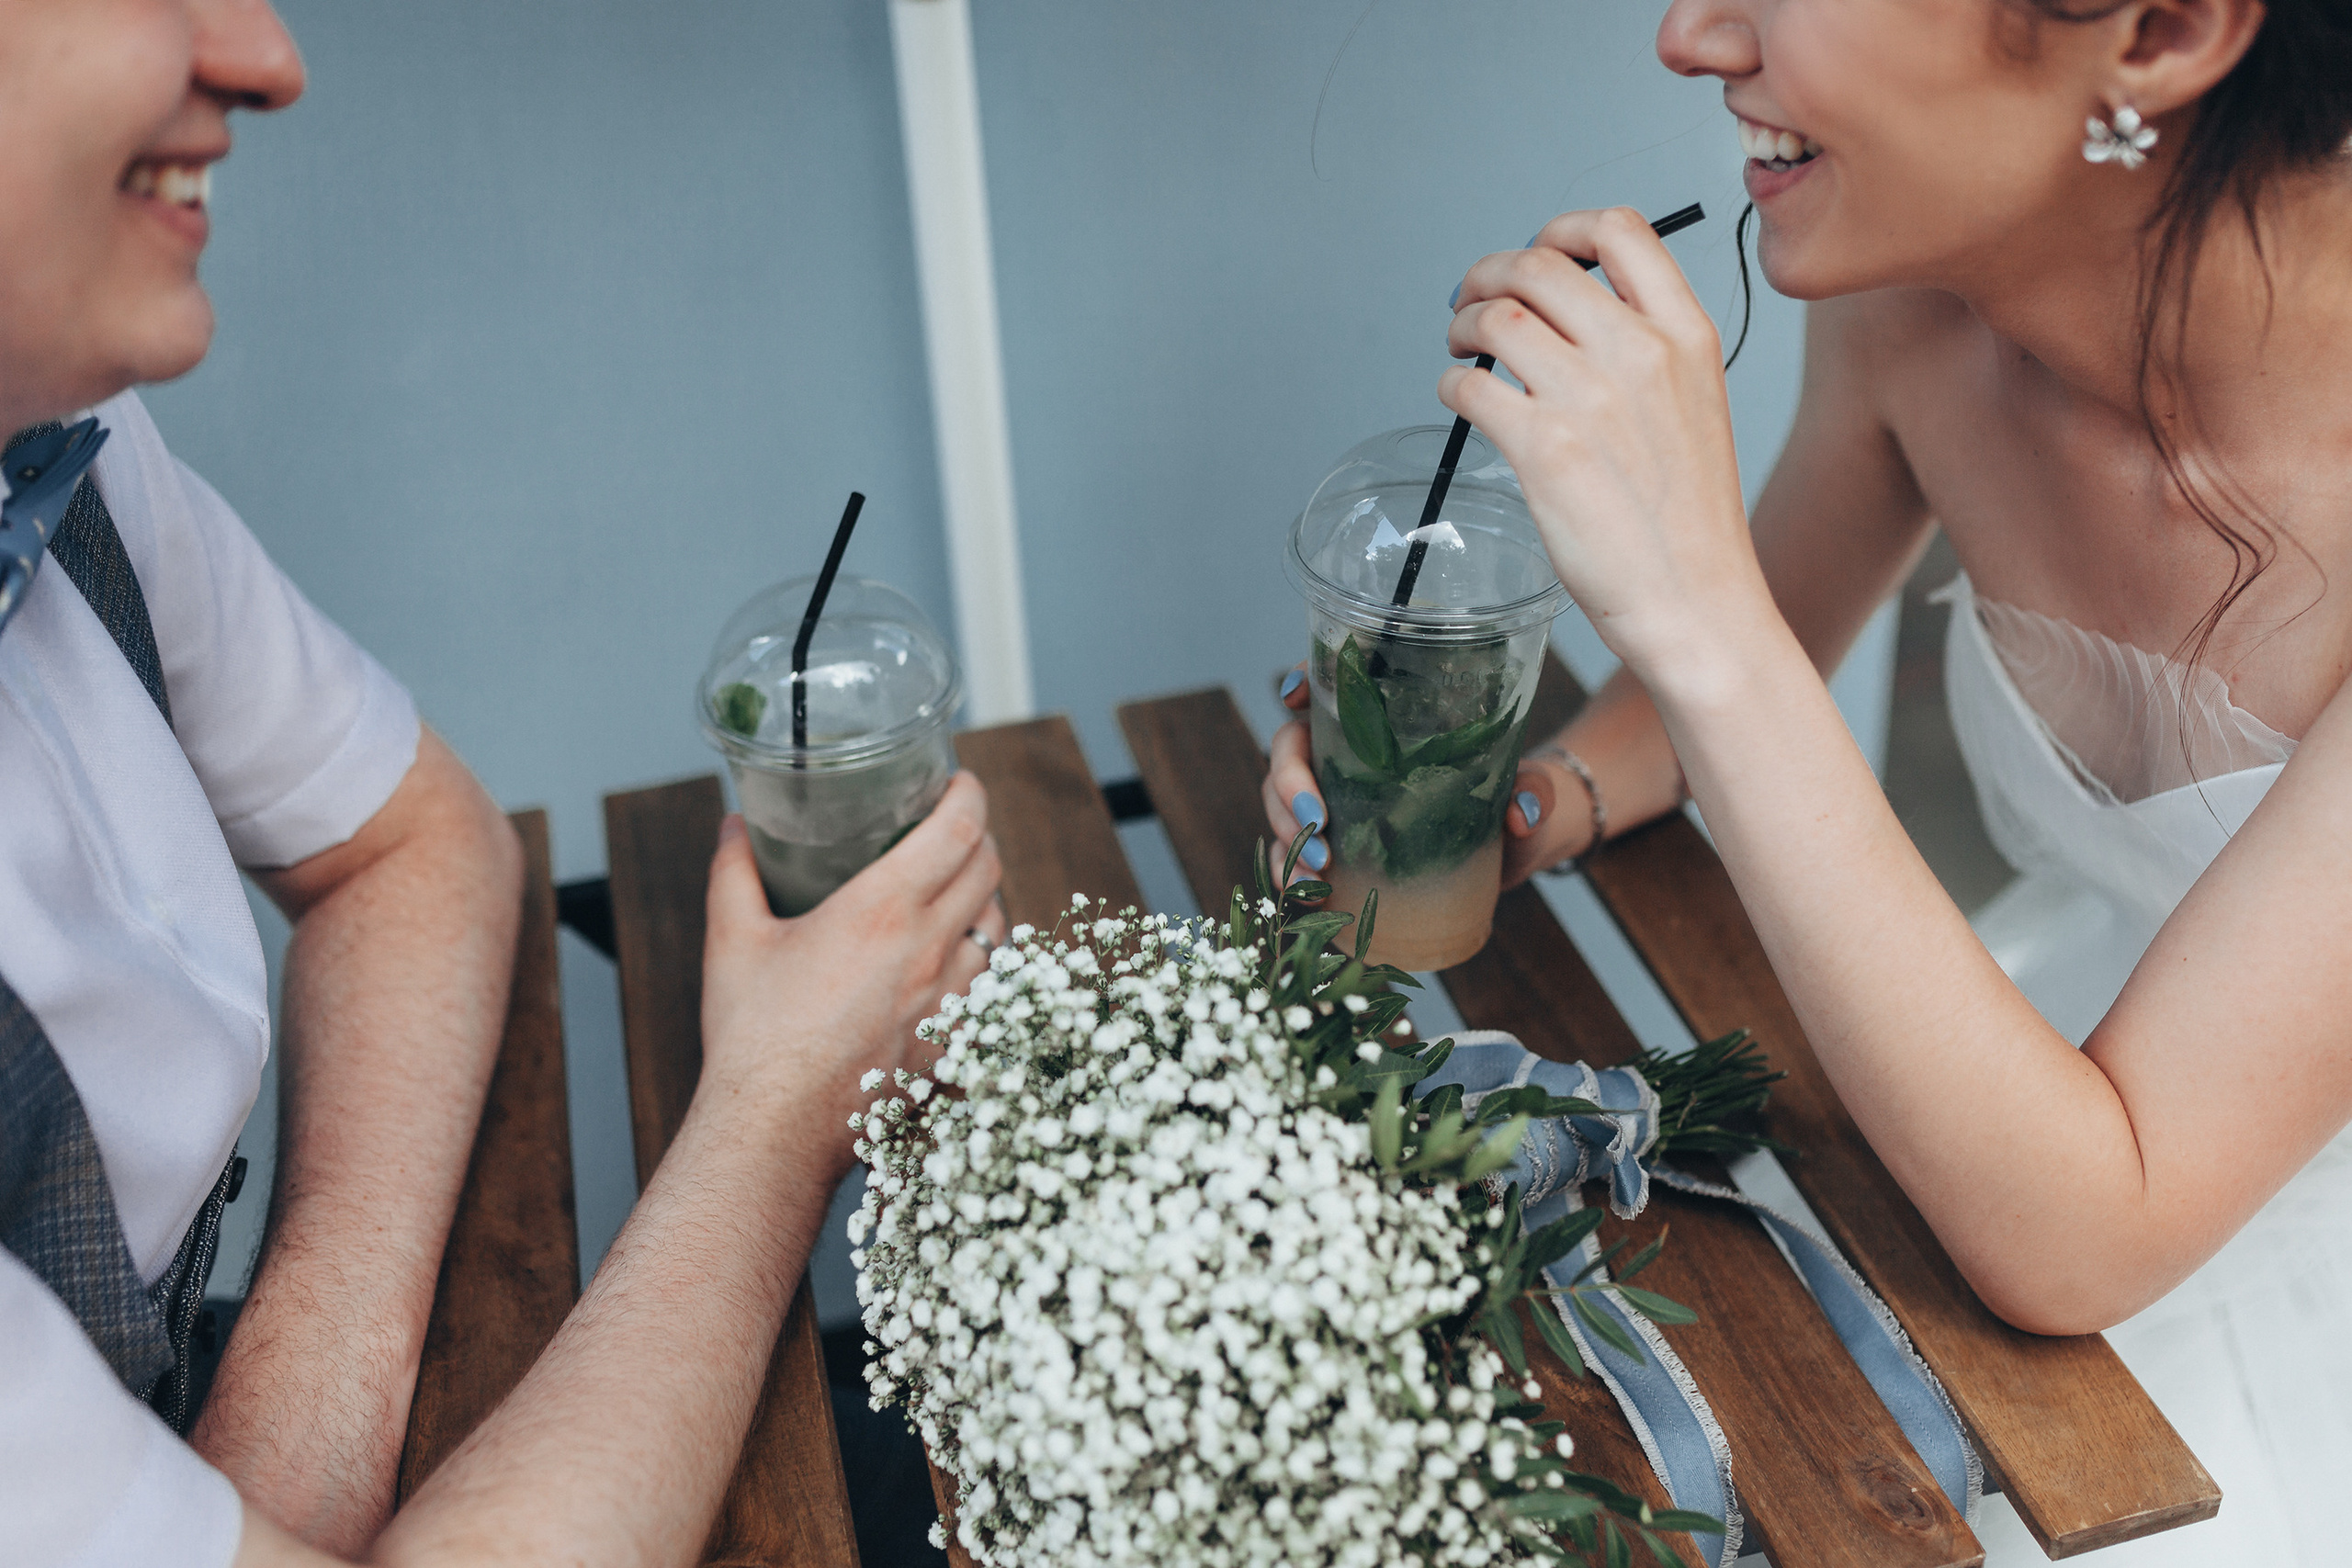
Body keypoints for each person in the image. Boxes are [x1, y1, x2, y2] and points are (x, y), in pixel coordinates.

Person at [1265, 0, 2350, 1560]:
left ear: (2165, 32)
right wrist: (1526, 806)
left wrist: (1691, 601)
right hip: (2045, 1115)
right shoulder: (1919, 301)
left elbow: (2083, 1236)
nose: (1689, 34)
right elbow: (1754, 629)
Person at [0, 1, 1005, 1563]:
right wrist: (781, 1098)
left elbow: (416, 843)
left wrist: (276, 1460)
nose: (267, 59)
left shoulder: (59, 442)